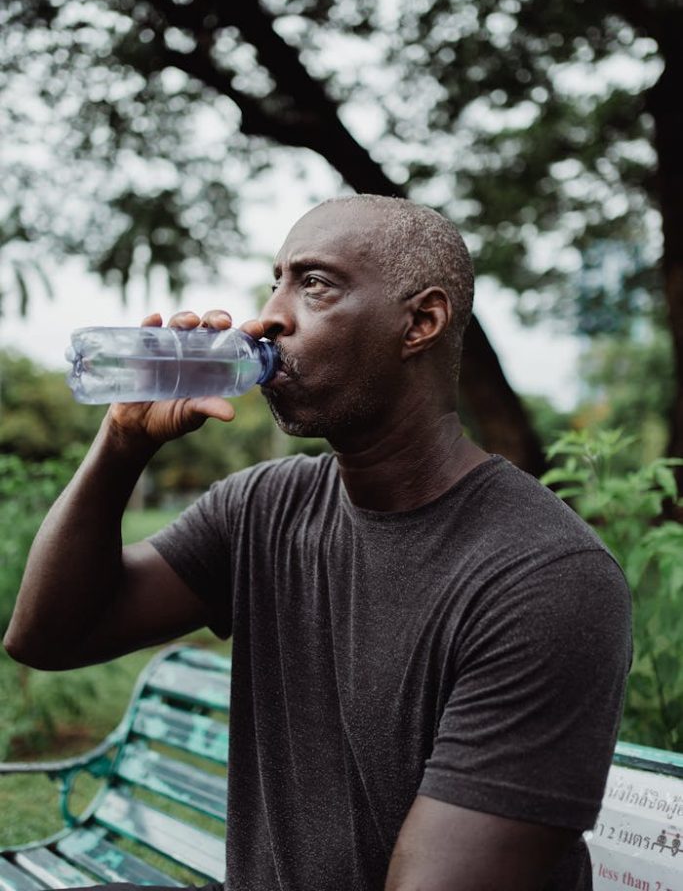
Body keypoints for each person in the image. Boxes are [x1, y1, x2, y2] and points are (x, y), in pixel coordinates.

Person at [4, 194, 632, 891]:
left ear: (420, 322)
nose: (268, 315)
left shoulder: (542, 576)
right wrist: (121, 442)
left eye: (315, 284)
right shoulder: (263, 508)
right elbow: (50, 637)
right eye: (275, 280)